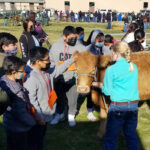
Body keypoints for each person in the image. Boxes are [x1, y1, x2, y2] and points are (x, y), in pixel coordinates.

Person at [24, 46, 77, 150]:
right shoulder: (31, 78)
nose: (49, 61)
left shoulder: (46, 71)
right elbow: (31, 101)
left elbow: (58, 69)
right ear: (38, 61)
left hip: (46, 114)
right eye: (47, 59)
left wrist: (72, 60)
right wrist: (39, 117)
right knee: (34, 142)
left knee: (41, 139)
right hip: (38, 118)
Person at [92, 41, 140, 150]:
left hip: (118, 107)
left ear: (117, 53)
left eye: (112, 53)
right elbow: (125, 85)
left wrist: (100, 85)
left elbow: (108, 91)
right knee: (131, 136)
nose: (111, 55)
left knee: (110, 137)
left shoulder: (111, 70)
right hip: (133, 106)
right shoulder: (133, 67)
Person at [49, 26, 86, 127]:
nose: (74, 40)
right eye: (71, 38)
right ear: (64, 36)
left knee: (72, 99)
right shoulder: (56, 46)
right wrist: (53, 74)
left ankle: (71, 115)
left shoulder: (80, 47)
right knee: (59, 98)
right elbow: (51, 62)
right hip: (58, 78)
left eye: (75, 38)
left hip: (73, 78)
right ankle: (59, 114)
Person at [0, 56, 36, 150]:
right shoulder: (16, 92)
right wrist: (33, 122)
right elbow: (20, 113)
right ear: (13, 72)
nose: (24, 73)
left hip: (8, 122)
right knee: (21, 145)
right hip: (19, 127)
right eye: (22, 71)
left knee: (11, 144)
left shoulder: (4, 79)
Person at [0, 32, 18, 115]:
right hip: (9, 99)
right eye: (13, 44)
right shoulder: (5, 63)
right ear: (4, 47)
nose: (15, 47)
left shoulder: (9, 59)